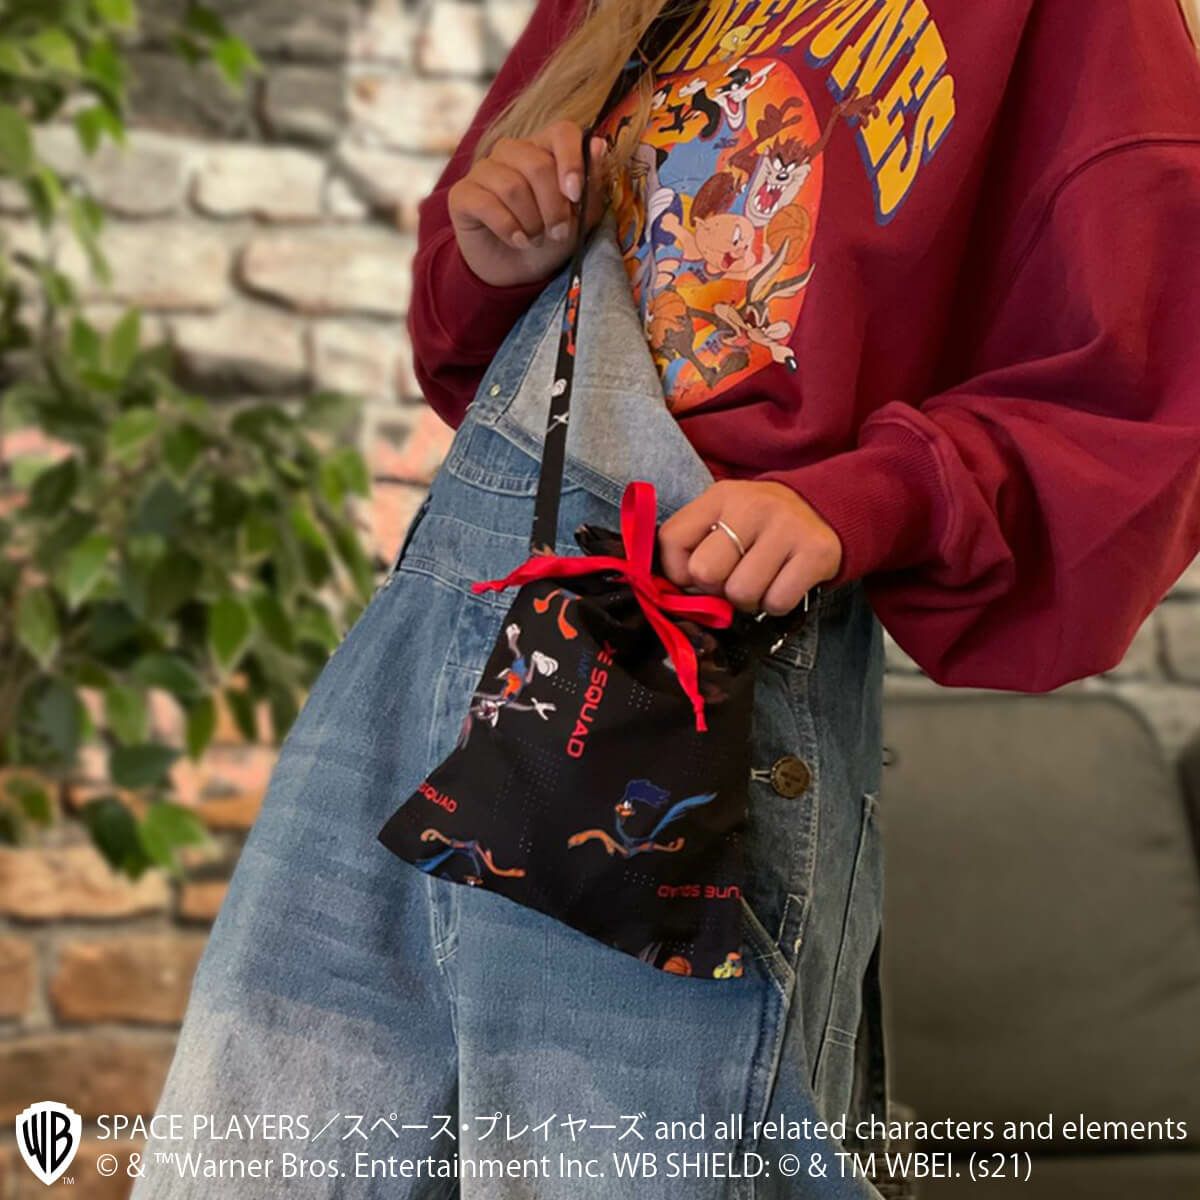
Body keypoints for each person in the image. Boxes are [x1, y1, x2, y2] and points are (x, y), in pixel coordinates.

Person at [137, 2, 1200, 1198]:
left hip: (700, 663)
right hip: (441, 623)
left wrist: (865, 500)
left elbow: (1143, 392)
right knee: (252, 1159)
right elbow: (461, 329)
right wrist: (497, 252)